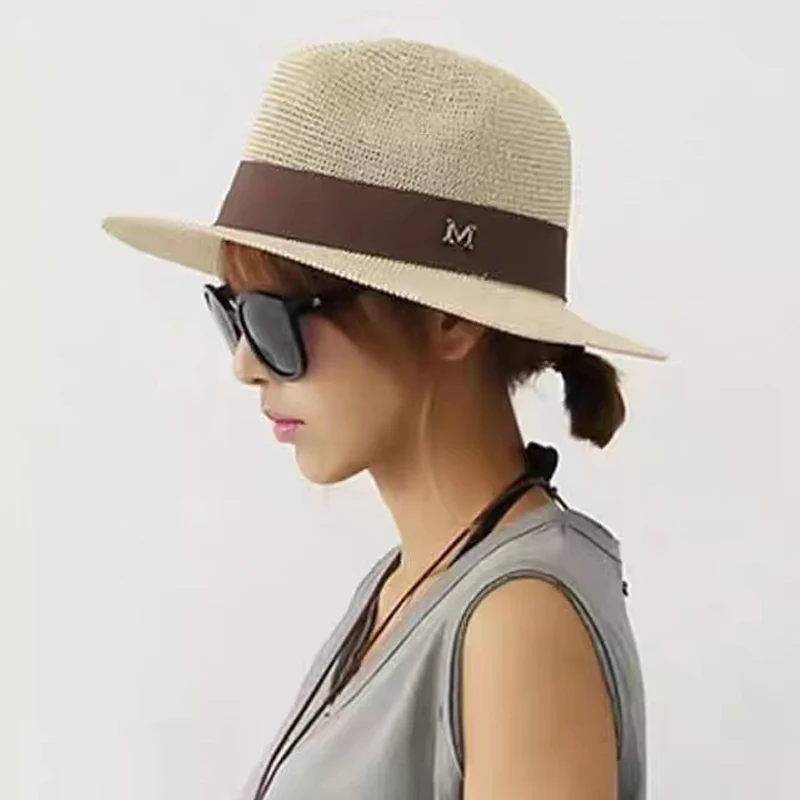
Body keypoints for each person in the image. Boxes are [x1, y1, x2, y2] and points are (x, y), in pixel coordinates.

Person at [101, 37, 667, 800]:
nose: (245, 362)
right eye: (231, 312)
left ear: (452, 321)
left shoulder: (517, 620)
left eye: (275, 317)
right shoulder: (412, 583)